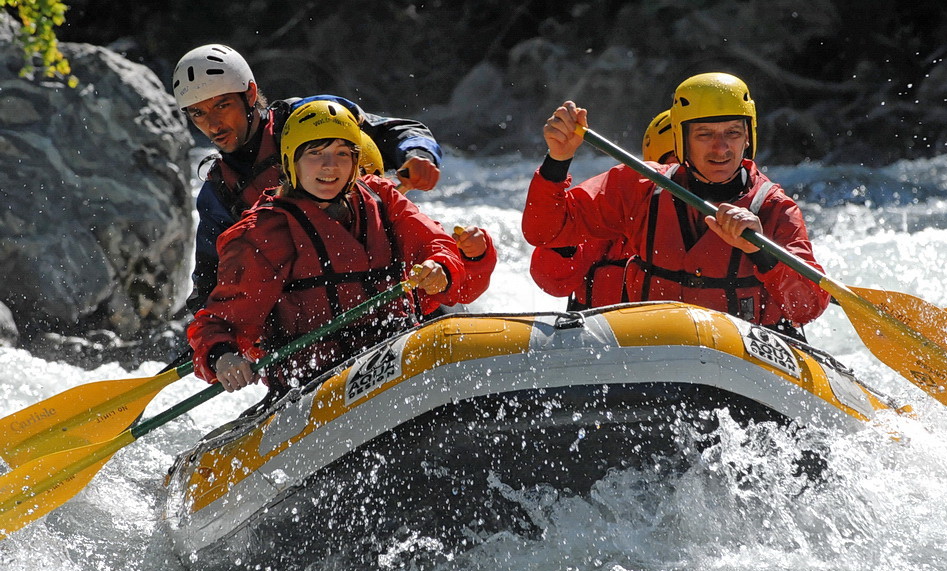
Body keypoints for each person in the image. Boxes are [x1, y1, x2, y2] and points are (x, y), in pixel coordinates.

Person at [187, 100, 468, 393]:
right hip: (315, 385)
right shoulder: (263, 233)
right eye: (315, 154)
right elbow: (218, 324)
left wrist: (442, 267)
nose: (330, 166)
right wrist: (222, 356)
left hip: (397, 356)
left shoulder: (382, 200)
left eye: (342, 154)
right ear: (290, 162)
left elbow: (438, 245)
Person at [521, 73, 830, 337]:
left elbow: (807, 307)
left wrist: (760, 252)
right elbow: (545, 231)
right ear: (682, 139)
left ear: (748, 137)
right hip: (653, 350)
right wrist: (557, 161)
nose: (721, 147)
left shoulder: (775, 209)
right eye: (704, 134)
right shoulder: (639, 187)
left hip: (742, 361)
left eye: (732, 133)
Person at [173, 44, 449, 313]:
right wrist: (216, 341)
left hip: (387, 283)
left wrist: (419, 155)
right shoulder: (220, 191)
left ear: (250, 94)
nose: (213, 124)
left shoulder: (312, 118)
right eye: (198, 113)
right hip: (310, 314)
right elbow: (209, 284)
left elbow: (400, 131)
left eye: (222, 105)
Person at [528, 109, 677, 310]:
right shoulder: (613, 213)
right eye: (674, 165)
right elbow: (553, 280)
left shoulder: (724, 221)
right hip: (602, 337)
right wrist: (566, 240)